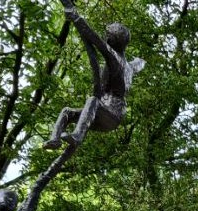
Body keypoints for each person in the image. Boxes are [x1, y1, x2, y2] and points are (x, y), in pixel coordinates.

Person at [44, 0, 145, 149]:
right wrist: (139, 61)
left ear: (111, 40)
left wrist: (75, 16)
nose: (105, 37)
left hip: (110, 113)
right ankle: (55, 139)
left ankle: (77, 135)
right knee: (67, 112)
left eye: (107, 35)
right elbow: (140, 64)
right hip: (107, 115)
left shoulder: (114, 58)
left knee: (92, 100)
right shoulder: (130, 67)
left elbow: (93, 38)